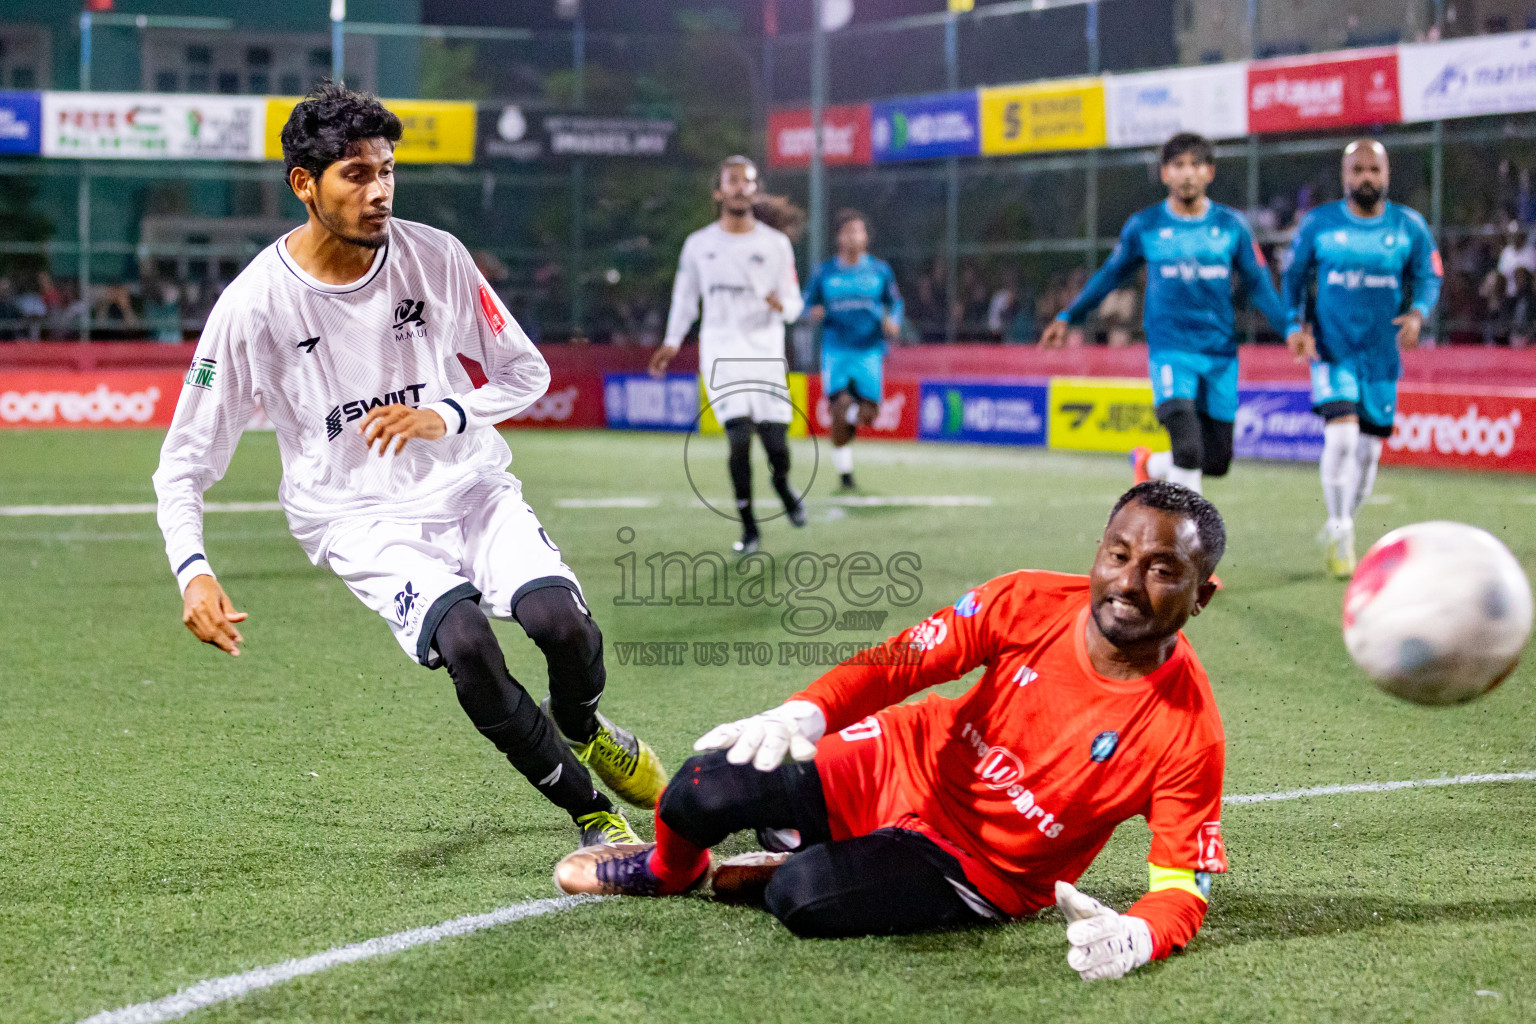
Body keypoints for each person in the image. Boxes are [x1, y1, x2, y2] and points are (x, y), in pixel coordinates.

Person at [152, 82, 665, 851]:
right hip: (355, 517)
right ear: (305, 185)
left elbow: (525, 372)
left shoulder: (438, 257)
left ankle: (586, 727)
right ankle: (593, 815)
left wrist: (448, 414)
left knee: (558, 624)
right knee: (465, 643)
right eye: (356, 175)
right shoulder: (254, 305)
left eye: (387, 170)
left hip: (469, 486)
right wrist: (193, 569)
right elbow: (184, 463)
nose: (379, 190)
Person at [555, 481, 1230, 983]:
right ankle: (669, 869)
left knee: (804, 896)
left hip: (981, 869)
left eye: (1164, 570)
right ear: (1099, 554)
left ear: (1201, 594)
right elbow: (904, 661)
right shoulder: (1028, 600)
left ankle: (794, 857)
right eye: (1119, 555)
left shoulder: (1188, 729)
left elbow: (1180, 885)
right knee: (701, 787)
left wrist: (1142, 934)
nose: (1130, 583)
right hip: (906, 760)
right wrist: (806, 713)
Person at [1041, 133, 1290, 495]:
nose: (1187, 173)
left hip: (1219, 354)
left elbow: (1258, 282)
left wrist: (1290, 329)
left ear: (1209, 172)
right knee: (1188, 450)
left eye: (1195, 165)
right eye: (1178, 165)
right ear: (1164, 174)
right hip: (1170, 350)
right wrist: (1069, 316)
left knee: (1216, 461)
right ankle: (1188, 546)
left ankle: (1150, 463)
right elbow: (1110, 275)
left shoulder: (1231, 225)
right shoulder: (1146, 225)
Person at [1281, 139, 1442, 577]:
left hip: (1381, 356)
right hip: (1333, 350)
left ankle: (1343, 520)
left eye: (1374, 170)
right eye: (1357, 170)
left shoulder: (1409, 225)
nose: (1366, 178)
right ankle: (1339, 528)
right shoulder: (1319, 224)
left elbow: (1430, 277)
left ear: (1386, 175)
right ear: (1344, 175)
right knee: (1342, 441)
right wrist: (1294, 326)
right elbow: (1292, 280)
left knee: (1369, 457)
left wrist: (1418, 314)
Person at [650, 156, 806, 554]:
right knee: (738, 438)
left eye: (747, 181)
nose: (739, 187)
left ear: (755, 190)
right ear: (719, 191)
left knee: (776, 445)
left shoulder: (775, 244)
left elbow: (794, 302)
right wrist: (671, 341)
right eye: (732, 180)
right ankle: (750, 526)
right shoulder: (699, 245)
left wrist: (781, 306)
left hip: (765, 352)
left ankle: (782, 483)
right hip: (721, 351)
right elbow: (684, 299)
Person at [802, 208, 903, 493]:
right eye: (848, 231)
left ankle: (847, 423)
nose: (854, 236)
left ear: (866, 237)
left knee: (869, 414)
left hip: (870, 350)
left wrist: (893, 321)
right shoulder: (825, 272)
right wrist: (813, 312)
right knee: (841, 406)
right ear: (839, 237)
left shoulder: (879, 270)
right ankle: (845, 473)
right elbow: (805, 302)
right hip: (836, 351)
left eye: (859, 231)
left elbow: (895, 303)